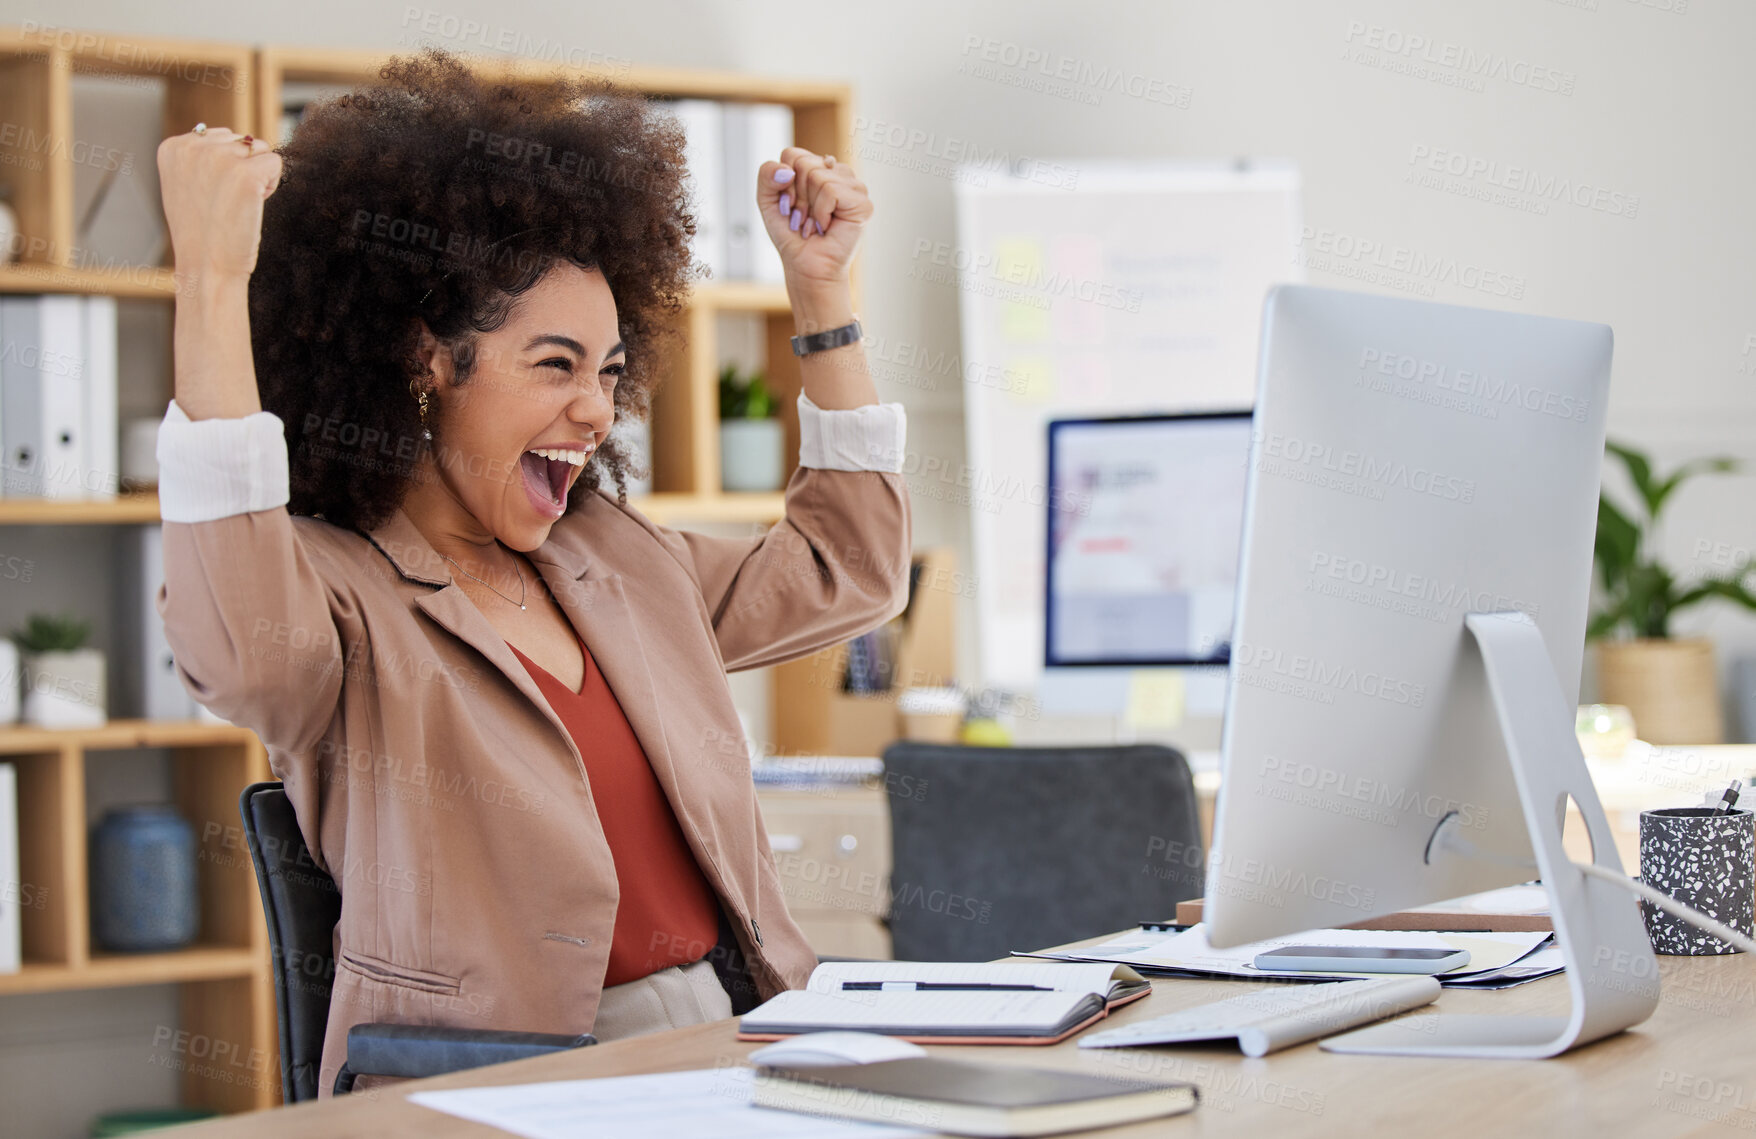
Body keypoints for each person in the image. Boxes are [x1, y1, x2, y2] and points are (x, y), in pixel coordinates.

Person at [154, 49, 909, 1097]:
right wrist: (210, 279)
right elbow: (239, 647)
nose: (598, 409)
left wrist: (819, 294)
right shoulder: (335, 596)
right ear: (427, 363)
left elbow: (849, 570)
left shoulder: (615, 557)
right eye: (554, 365)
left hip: (735, 1035)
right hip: (492, 1086)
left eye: (606, 371)